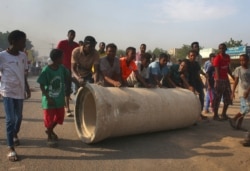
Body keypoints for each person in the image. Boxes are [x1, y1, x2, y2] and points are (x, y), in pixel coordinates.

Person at [0, 30, 31, 161]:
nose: (24, 44)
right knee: (10, 120)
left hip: (19, 91)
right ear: (13, 41)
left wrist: (27, 88)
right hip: (7, 91)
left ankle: (14, 134)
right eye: (23, 41)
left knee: (18, 119)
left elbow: (24, 73)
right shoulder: (2, 56)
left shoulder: (23, 56)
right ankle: (11, 148)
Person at [37, 49, 70, 147]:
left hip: (59, 98)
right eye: (62, 57)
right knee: (49, 119)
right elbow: (42, 85)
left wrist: (77, 82)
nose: (63, 59)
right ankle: (49, 137)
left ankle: (49, 130)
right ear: (56, 58)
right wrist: (48, 97)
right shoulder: (46, 70)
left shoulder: (62, 68)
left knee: (60, 117)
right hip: (49, 99)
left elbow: (68, 76)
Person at [57, 30, 79, 117]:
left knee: (67, 88)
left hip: (71, 69)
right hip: (61, 68)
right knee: (60, 87)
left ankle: (67, 108)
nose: (72, 36)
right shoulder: (62, 43)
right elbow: (56, 54)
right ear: (67, 35)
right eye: (71, 35)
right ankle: (60, 105)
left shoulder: (76, 45)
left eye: (74, 35)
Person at [213, 43, 234, 121]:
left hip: (226, 79)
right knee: (217, 98)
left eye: (223, 48)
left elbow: (228, 69)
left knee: (228, 97)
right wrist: (217, 81)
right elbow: (216, 70)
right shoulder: (217, 58)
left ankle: (223, 114)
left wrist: (233, 77)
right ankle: (215, 115)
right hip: (219, 79)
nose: (221, 50)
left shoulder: (227, 57)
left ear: (226, 49)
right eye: (220, 48)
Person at [184, 50, 207, 120]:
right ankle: (191, 115)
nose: (193, 57)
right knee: (191, 100)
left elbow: (198, 74)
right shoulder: (186, 63)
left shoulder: (196, 64)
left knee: (202, 97)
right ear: (188, 56)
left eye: (194, 56)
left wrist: (202, 83)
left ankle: (199, 113)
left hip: (196, 82)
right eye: (191, 56)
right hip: (189, 83)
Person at [229, 54, 250, 130]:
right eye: (240, 60)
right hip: (242, 91)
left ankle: (239, 125)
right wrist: (233, 92)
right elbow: (236, 81)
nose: (242, 62)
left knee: (243, 108)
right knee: (246, 108)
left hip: (248, 91)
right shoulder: (238, 69)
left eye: (243, 60)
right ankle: (234, 119)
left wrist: (248, 91)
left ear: (248, 61)